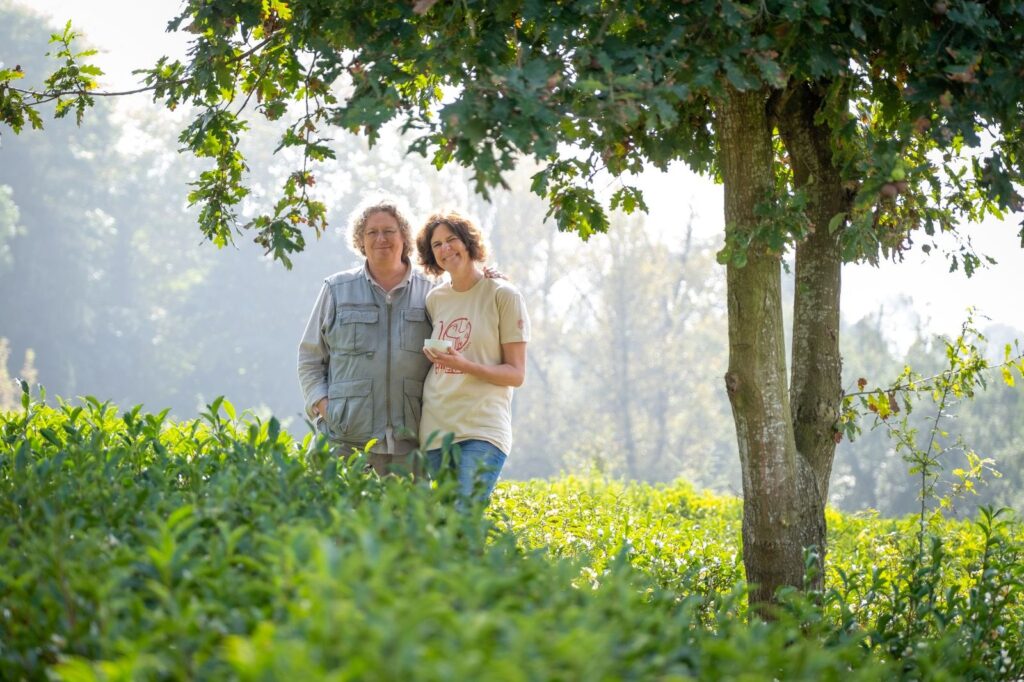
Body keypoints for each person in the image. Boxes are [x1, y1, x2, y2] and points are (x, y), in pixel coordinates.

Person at [297, 196, 434, 475]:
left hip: (411, 446)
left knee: (409, 520)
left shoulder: (432, 291)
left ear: (404, 236)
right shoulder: (336, 289)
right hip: (343, 442)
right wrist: (326, 409)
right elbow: (310, 358)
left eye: (389, 231)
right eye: (372, 232)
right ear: (360, 240)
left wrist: (488, 279)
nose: (380, 239)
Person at [415, 211, 530, 505]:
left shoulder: (503, 295)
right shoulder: (435, 299)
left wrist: (465, 365)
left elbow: (516, 374)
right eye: (437, 244)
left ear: (468, 242)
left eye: (451, 239)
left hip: (482, 428)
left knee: (464, 515)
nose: (445, 249)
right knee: (446, 527)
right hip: (437, 428)